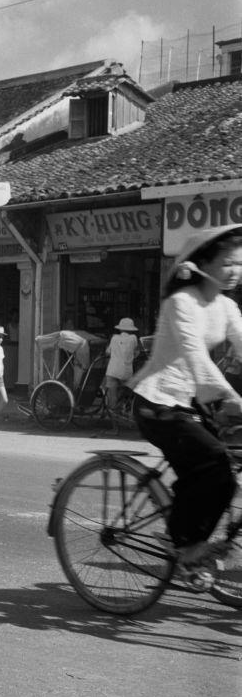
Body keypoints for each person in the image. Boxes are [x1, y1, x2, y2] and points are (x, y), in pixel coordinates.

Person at [130, 224, 242, 566]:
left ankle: (187, 535)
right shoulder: (181, 302)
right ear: (203, 265)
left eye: (239, 264)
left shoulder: (225, 307)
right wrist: (230, 397)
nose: (234, 271)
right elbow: (195, 355)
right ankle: (183, 543)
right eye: (226, 263)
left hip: (191, 403)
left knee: (225, 472)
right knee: (215, 461)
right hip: (158, 402)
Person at [103, 317, 141, 409]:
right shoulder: (133, 338)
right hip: (125, 371)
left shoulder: (114, 338)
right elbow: (136, 352)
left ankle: (113, 414)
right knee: (125, 392)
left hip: (112, 370)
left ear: (120, 328)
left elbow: (108, 352)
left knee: (112, 395)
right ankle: (124, 409)